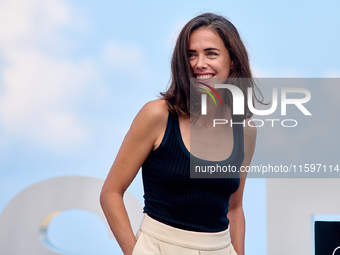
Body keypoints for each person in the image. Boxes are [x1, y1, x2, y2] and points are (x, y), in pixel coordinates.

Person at [100, 13, 260, 255]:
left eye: (211, 53)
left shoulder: (246, 129)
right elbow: (110, 193)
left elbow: (235, 209)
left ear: (233, 62)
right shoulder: (156, 115)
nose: (199, 63)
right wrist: (136, 252)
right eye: (191, 55)